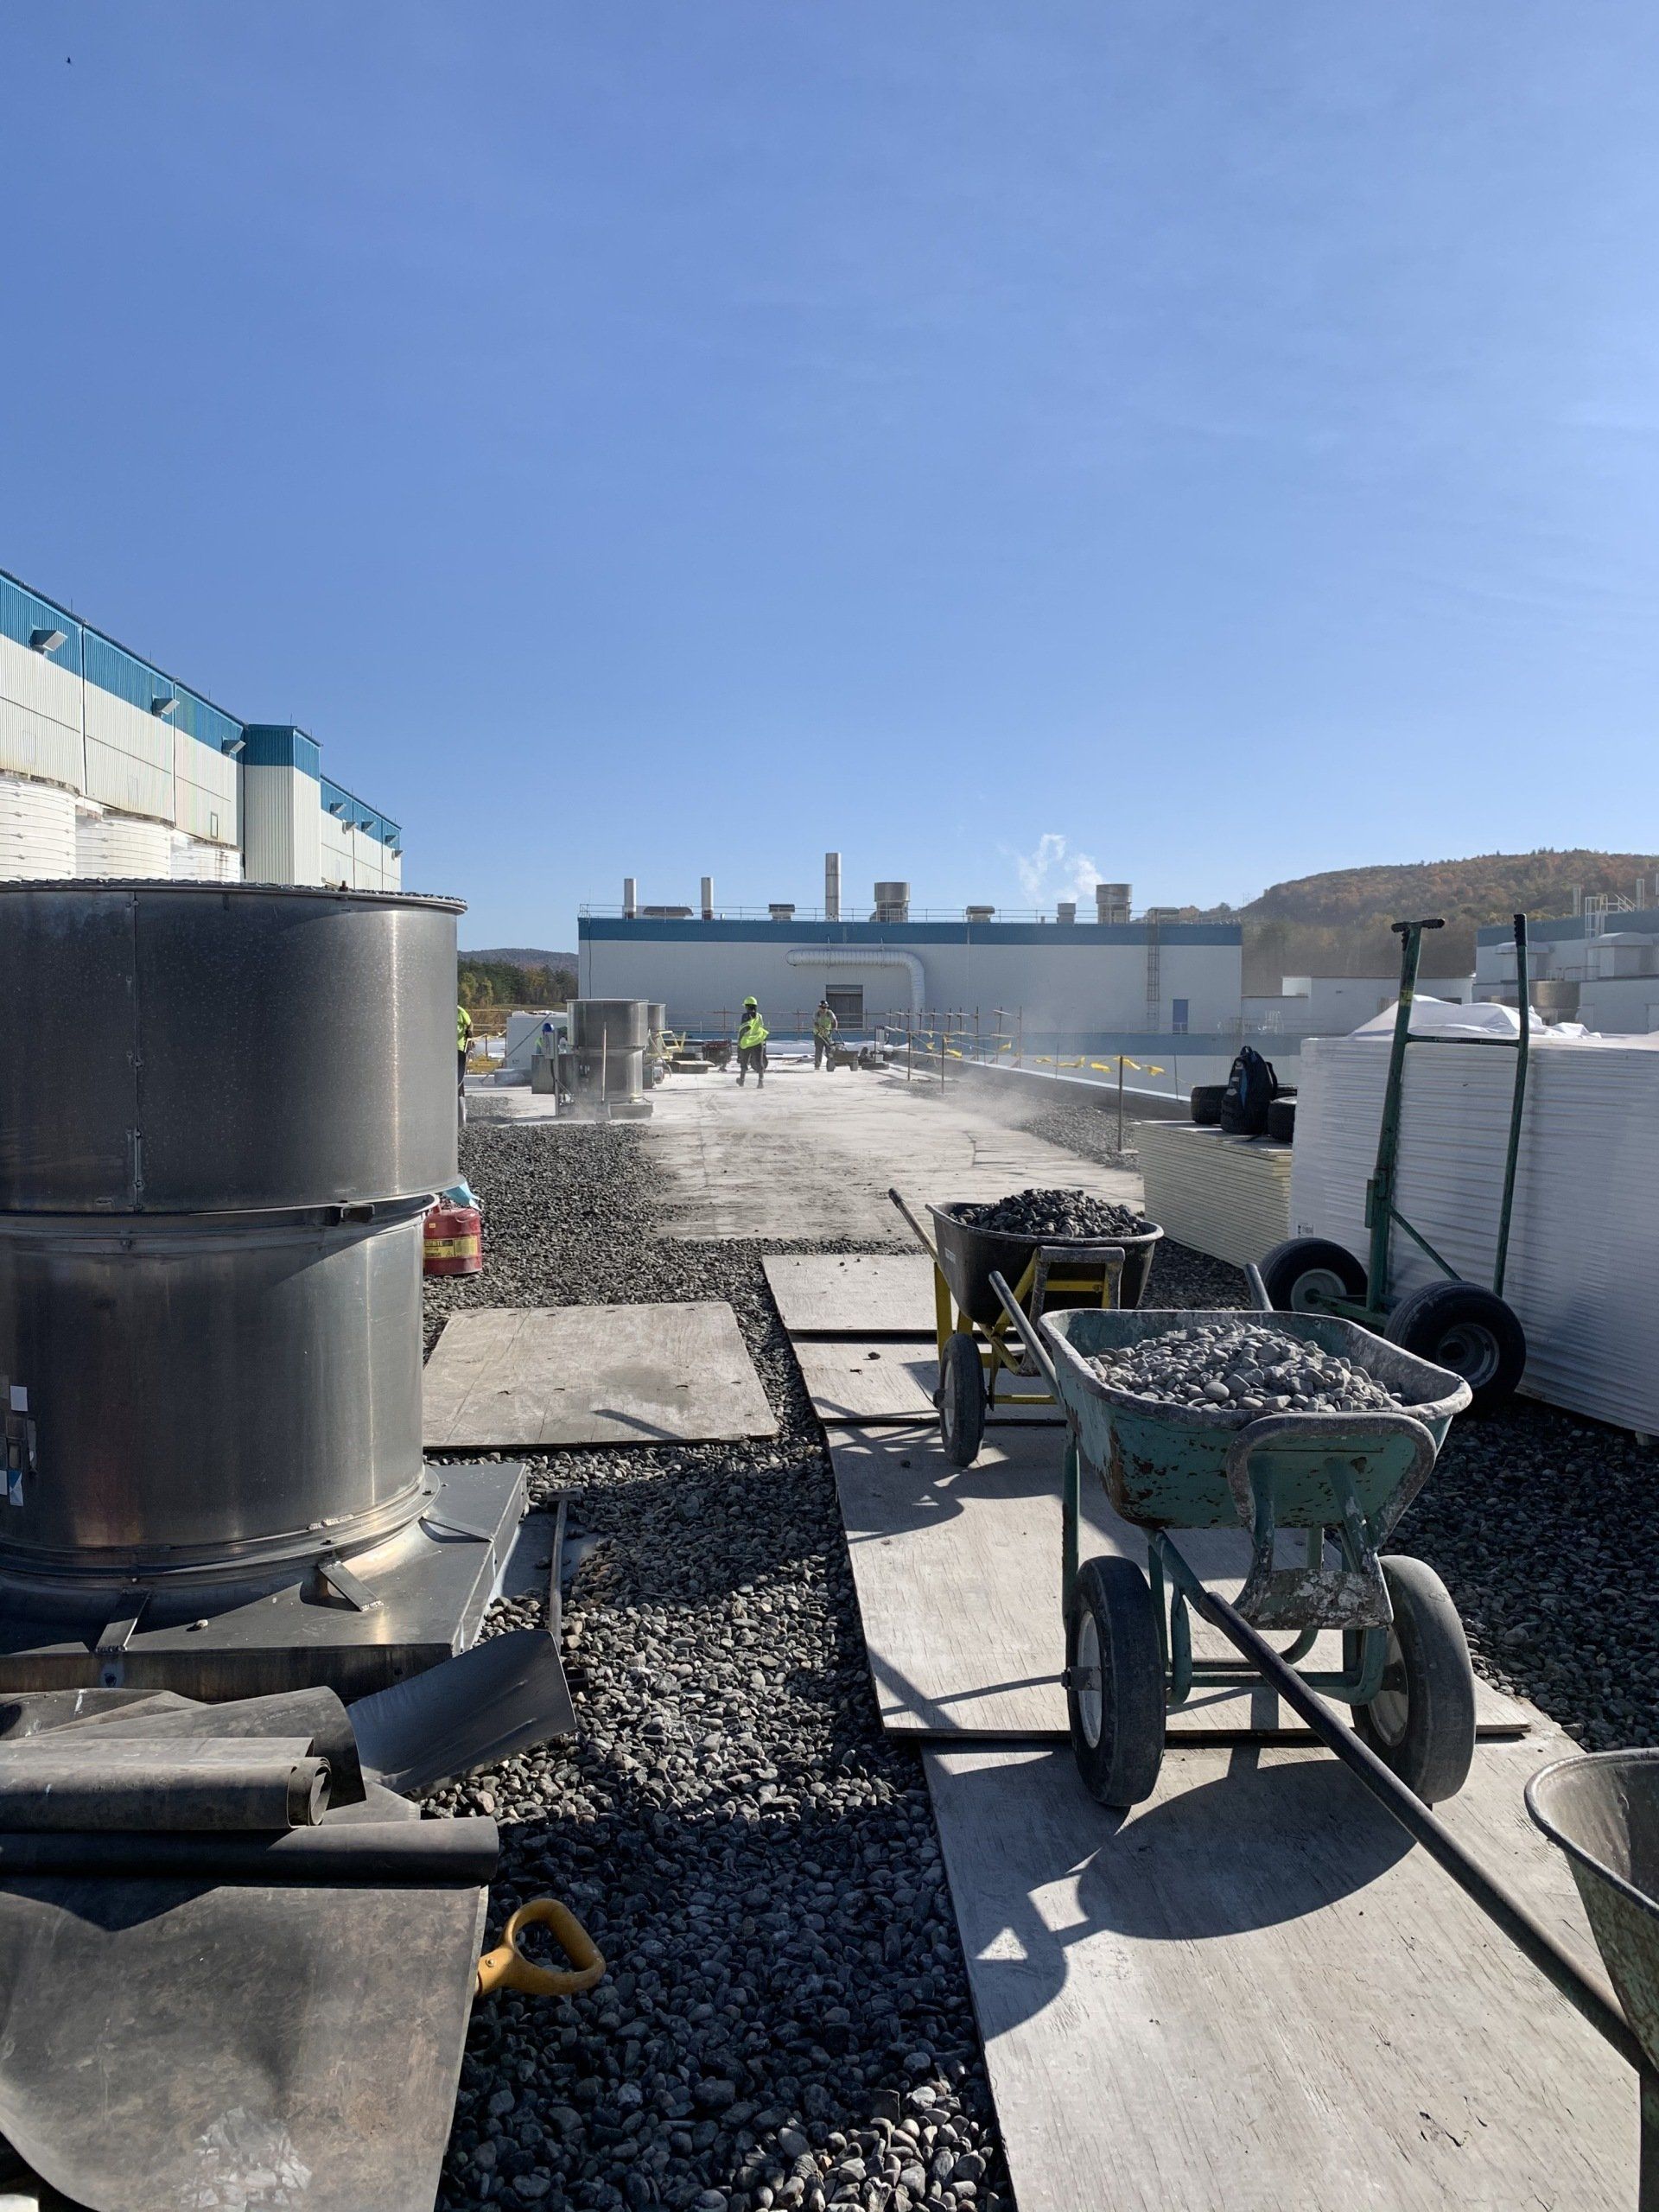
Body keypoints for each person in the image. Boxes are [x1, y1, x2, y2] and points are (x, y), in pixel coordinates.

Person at [736, 997, 768, 1087]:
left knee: (744, 1062)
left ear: (747, 1006)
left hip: (747, 1042)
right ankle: (760, 1082)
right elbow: (761, 1027)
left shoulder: (745, 1016)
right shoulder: (759, 1016)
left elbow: (743, 1029)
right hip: (758, 1041)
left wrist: (739, 1042)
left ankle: (742, 1081)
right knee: (759, 1062)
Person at [812, 998, 838, 1071]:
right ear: (819, 1007)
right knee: (818, 1050)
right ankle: (817, 1065)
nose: (824, 1009)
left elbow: (835, 1020)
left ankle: (831, 1064)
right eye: (823, 1008)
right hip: (818, 1034)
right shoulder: (816, 1014)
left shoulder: (829, 1013)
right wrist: (820, 1029)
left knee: (829, 1050)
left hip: (828, 1034)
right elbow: (816, 1023)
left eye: (825, 1008)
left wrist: (835, 1028)